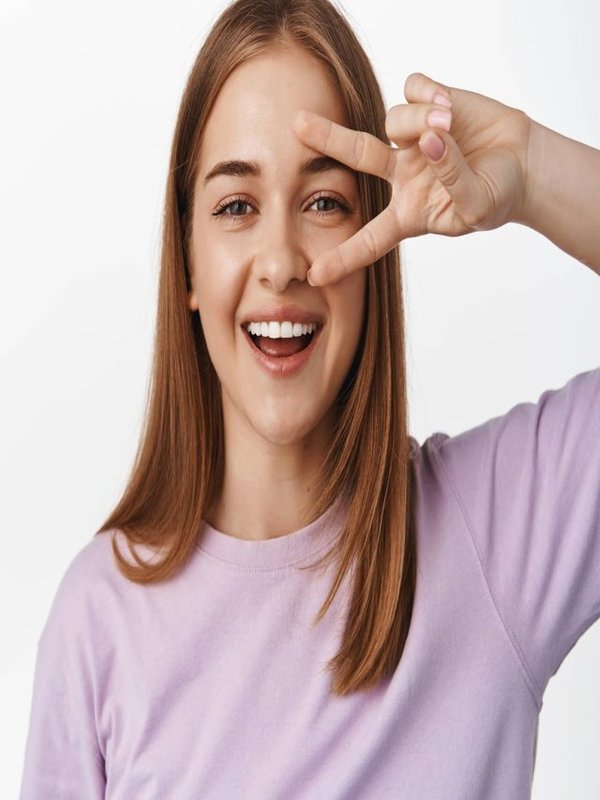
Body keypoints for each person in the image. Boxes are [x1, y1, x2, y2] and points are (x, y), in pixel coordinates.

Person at [18, 0, 600, 797]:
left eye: (325, 203)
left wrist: (534, 172)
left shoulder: (498, 533)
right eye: (235, 207)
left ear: (377, 245)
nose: (283, 261)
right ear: (186, 262)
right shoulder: (99, 620)